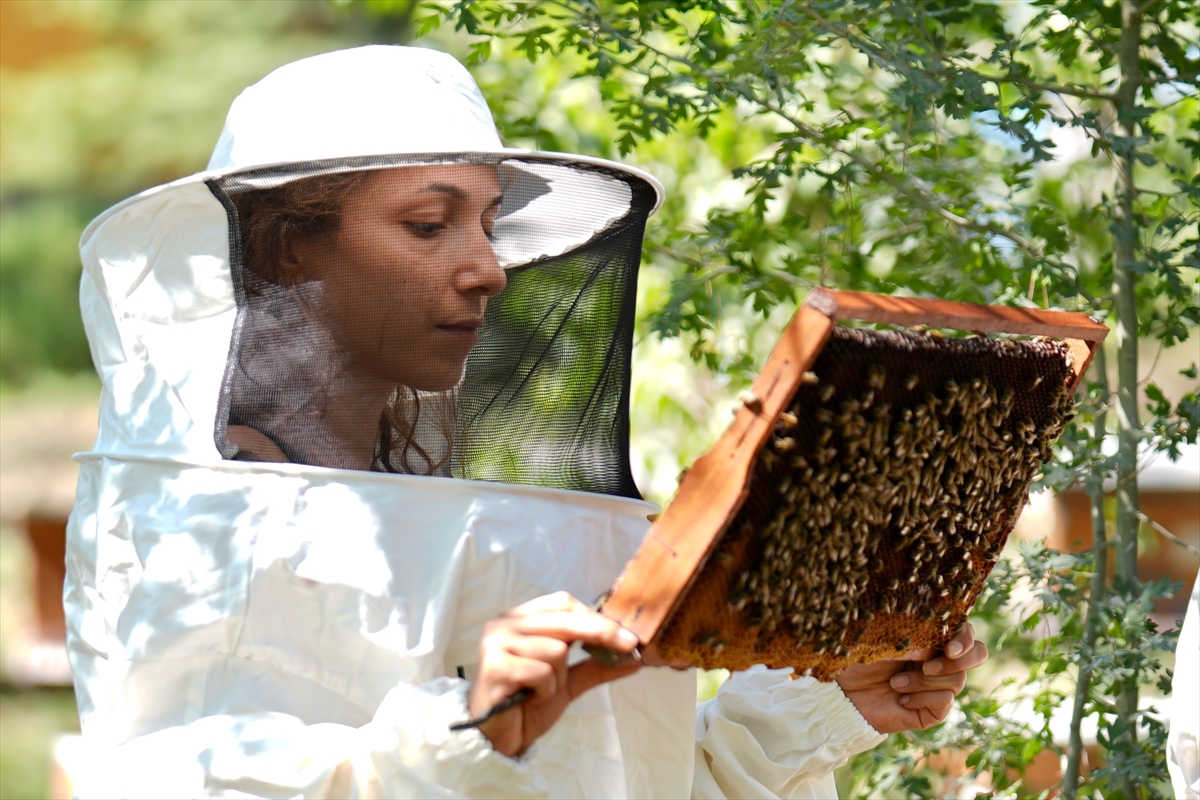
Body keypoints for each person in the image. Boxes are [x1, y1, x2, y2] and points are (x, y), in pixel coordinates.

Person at [65, 45, 986, 797]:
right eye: (430, 225)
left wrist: (823, 706)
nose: (489, 269)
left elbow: (628, 776)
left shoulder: (453, 497)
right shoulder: (204, 521)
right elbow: (161, 781)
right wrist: (470, 724)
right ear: (289, 244)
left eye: (490, 223)